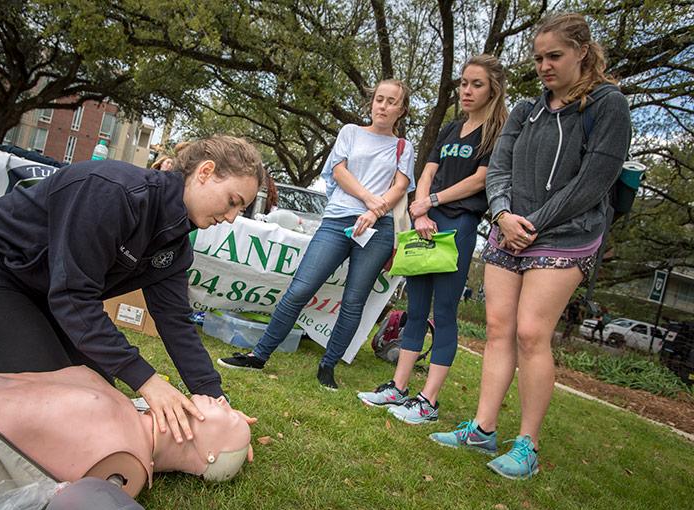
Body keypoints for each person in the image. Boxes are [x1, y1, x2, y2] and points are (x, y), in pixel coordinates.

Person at [0, 135, 264, 444]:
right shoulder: (114, 191)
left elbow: (177, 323)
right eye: (233, 201)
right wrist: (148, 381)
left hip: (39, 297)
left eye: (241, 210)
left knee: (99, 394)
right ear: (205, 172)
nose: (231, 217)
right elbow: (73, 297)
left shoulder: (176, 243)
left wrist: (218, 403)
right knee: (59, 397)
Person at [429, 13, 632, 479]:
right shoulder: (526, 110)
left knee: (530, 334)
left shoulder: (608, 105)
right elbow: (498, 169)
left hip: (566, 234)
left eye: (554, 56)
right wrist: (501, 213)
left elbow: (594, 181)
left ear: (582, 51)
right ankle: (482, 428)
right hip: (509, 228)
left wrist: (534, 222)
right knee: (498, 330)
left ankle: (528, 445)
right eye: (539, 57)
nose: (544, 66)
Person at [217, 79, 416, 389]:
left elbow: (400, 186)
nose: (383, 106)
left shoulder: (404, 147)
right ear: (372, 103)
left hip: (378, 229)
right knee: (299, 290)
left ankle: (328, 367)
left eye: (391, 102)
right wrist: (367, 200)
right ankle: (258, 355)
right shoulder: (351, 132)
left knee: (353, 302)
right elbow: (339, 171)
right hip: (338, 221)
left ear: (401, 109)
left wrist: (375, 212)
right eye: (379, 99)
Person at [357, 55, 508, 423]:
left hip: (459, 225)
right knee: (416, 309)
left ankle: (429, 401)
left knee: (443, 313)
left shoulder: (498, 132)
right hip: (426, 220)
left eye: (477, 84)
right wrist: (420, 210)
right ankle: (399, 386)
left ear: (493, 90)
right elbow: (428, 170)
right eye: (463, 83)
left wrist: (435, 201)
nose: (467, 91)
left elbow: (480, 180)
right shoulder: (451, 128)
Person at [0, 365, 252, 510]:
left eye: (229, 414)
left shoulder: (123, 468)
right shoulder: (133, 414)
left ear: (207, 453)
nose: (223, 400)